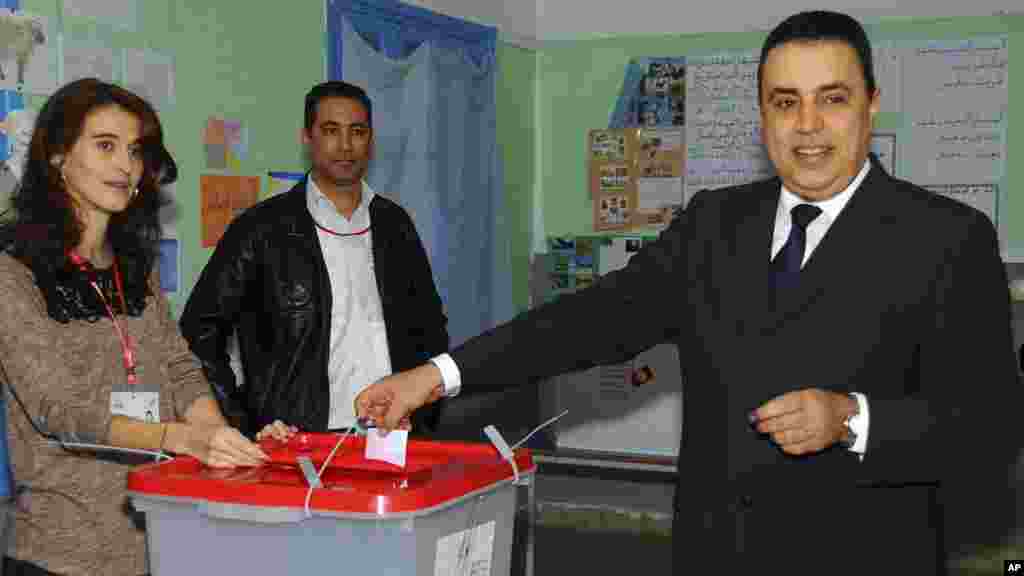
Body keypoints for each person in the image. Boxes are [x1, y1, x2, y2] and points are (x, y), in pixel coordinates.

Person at [355, 11, 1020, 574]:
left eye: (833, 97)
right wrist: (437, 376)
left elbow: (991, 428)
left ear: (871, 104)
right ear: (763, 113)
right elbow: (590, 319)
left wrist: (853, 418)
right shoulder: (715, 222)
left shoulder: (946, 239)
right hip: (716, 554)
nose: (808, 124)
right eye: (785, 101)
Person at [0, 78, 283, 576]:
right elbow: (57, 409)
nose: (126, 166)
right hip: (60, 556)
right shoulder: (12, 271)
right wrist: (180, 439)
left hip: (161, 541)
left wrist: (223, 444)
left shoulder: (136, 269)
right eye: (105, 146)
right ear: (59, 157)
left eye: (135, 151)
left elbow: (179, 370)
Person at [179, 81, 447, 438]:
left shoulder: (395, 224)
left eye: (358, 131)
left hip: (394, 436)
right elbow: (199, 332)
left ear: (371, 139)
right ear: (308, 138)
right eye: (331, 131)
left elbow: (430, 327)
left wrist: (425, 413)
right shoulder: (261, 229)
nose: (346, 145)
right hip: (297, 444)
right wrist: (240, 420)